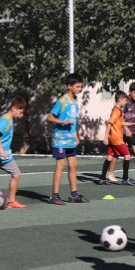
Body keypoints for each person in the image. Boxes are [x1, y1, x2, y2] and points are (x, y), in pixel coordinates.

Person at [47, 73, 89, 205]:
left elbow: (74, 121)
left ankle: (74, 195)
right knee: (61, 165)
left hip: (70, 140)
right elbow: (50, 118)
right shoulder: (62, 101)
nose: (79, 89)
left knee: (73, 165)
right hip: (59, 140)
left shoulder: (74, 101)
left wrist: (76, 135)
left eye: (81, 87)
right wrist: (62, 122)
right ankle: (54, 195)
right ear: (69, 86)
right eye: (77, 86)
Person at [99, 91, 131, 185]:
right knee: (127, 155)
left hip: (114, 138)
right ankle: (125, 179)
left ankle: (102, 178)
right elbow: (109, 123)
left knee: (109, 157)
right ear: (120, 100)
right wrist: (105, 138)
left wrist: (133, 124)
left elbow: (121, 123)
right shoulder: (116, 111)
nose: (126, 102)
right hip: (116, 138)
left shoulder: (118, 110)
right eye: (125, 100)